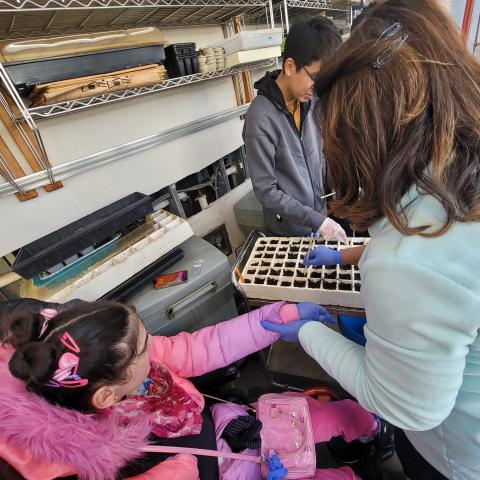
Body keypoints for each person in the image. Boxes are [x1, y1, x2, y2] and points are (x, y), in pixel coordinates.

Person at [263, 1, 480, 479]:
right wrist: (355, 253)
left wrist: (311, 333)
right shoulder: (462, 161)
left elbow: (404, 406)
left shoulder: (411, 263)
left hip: (458, 456)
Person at [0, 299, 385, 480]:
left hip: (217, 425)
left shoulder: (105, 365)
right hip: (216, 472)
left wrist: (279, 316)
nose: (156, 347)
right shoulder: (93, 467)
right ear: (108, 396)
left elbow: (203, 346)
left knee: (343, 414)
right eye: (144, 347)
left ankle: (366, 433)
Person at [243, 17, 347, 242]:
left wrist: (342, 191)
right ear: (290, 66)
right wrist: (317, 220)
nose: (319, 87)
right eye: (316, 78)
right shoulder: (260, 118)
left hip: (321, 219)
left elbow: (322, 155)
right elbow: (266, 190)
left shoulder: (311, 101)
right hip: (287, 233)